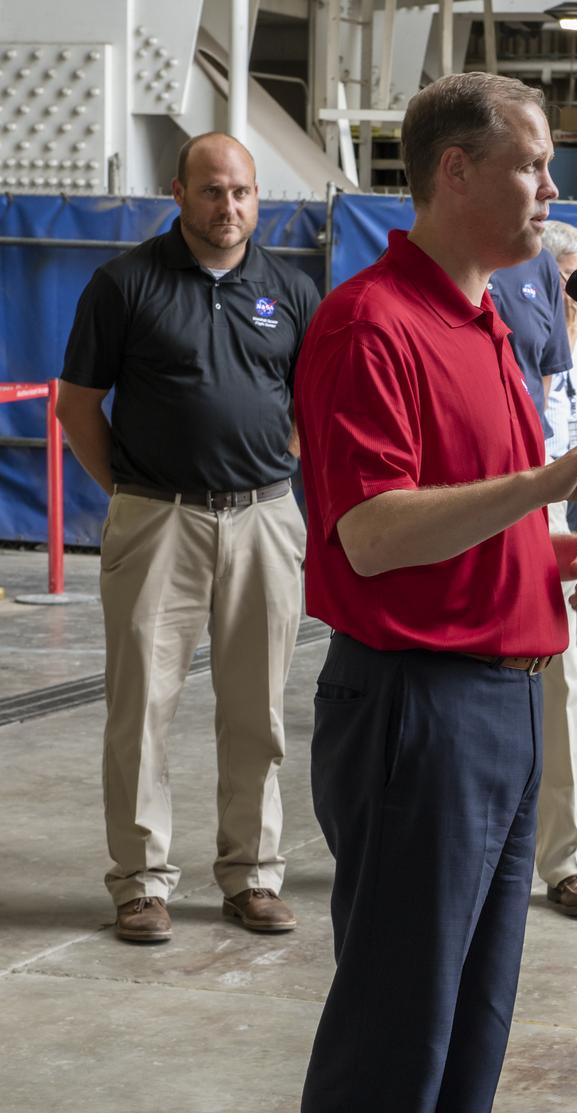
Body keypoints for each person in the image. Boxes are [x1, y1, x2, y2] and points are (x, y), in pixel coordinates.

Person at [292, 73, 577, 1113]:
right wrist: (550, 483)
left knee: (472, 1024)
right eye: (533, 165)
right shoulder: (370, 324)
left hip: (506, 702)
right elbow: (373, 535)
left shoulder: (490, 320)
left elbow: (477, 511)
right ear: (455, 171)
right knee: (397, 1028)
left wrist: (562, 553)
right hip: (418, 707)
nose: (552, 189)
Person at [57, 133, 317, 944]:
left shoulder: (292, 289)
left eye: (242, 191)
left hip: (264, 518)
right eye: (211, 191)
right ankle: (141, 883)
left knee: (258, 710)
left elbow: (310, 405)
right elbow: (76, 406)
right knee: (141, 708)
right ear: (178, 193)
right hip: (157, 517)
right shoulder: (124, 283)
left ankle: (253, 873)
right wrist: (133, 495)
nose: (228, 206)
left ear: (257, 196)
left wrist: (272, 471)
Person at [489, 220, 577, 919]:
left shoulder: (546, 293)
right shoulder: (469, 277)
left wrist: (573, 486)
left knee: (560, 682)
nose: (544, 186)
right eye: (570, 278)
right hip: (467, 495)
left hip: (544, 499)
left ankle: (569, 860)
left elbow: (556, 404)